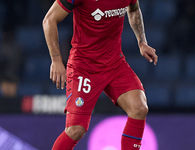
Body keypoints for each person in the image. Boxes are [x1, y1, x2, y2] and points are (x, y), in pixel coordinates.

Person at [43, 0, 158, 149]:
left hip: (114, 63)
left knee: (139, 107)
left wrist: (142, 42)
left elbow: (134, 9)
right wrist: (56, 60)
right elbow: (49, 19)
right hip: (84, 66)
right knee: (76, 130)